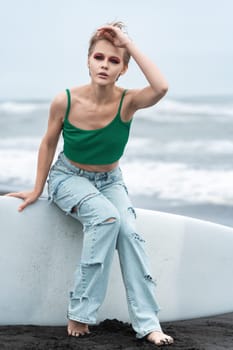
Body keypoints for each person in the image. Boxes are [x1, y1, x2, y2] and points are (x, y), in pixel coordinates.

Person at [7, 21, 174, 346]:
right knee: (106, 217)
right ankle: (80, 312)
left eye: (114, 61)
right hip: (68, 177)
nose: (104, 65)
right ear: (88, 60)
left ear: (124, 68)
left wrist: (128, 43)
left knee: (129, 233)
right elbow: (47, 144)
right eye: (99, 57)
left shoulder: (128, 101)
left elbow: (161, 87)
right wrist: (38, 188)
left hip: (110, 180)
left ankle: (149, 323)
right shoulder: (65, 101)